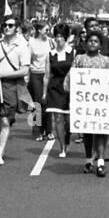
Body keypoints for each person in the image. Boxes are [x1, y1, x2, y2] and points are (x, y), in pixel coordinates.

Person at [66, 31, 109, 176]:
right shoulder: (79, 59)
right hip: (85, 104)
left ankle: (100, 161)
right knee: (87, 131)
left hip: (101, 103)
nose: (93, 43)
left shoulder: (106, 61)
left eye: (96, 41)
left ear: (100, 44)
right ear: (85, 43)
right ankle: (89, 159)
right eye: (90, 41)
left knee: (101, 131)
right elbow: (71, 77)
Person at [0, 18, 31, 166]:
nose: (6, 28)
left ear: (16, 28)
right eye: (4, 25)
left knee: (4, 121)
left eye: (10, 25)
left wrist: (5, 75)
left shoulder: (22, 46)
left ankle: (0, 152)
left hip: (10, 86)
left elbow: (25, 70)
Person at [45, 23, 75, 157]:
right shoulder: (50, 54)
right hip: (55, 87)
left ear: (67, 38)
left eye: (61, 36)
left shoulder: (73, 53)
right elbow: (47, 74)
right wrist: (45, 92)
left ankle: (67, 138)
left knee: (69, 120)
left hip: (70, 88)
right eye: (56, 36)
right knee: (57, 117)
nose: (59, 39)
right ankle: (62, 147)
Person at [28, 22, 52, 140]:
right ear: (39, 31)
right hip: (36, 75)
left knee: (47, 102)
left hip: (47, 74)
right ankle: (37, 130)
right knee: (37, 103)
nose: (48, 32)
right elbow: (29, 60)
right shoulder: (31, 43)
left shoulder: (50, 42)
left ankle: (48, 130)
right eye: (46, 30)